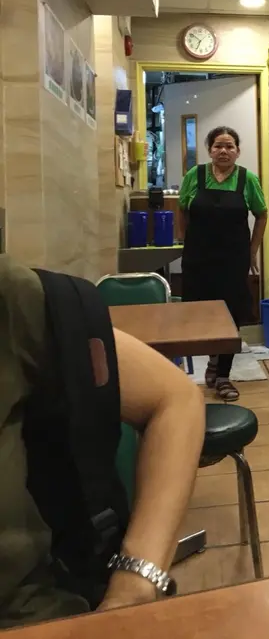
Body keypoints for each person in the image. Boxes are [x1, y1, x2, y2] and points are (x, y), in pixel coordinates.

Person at [1, 255, 205, 626]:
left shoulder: (13, 299)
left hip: (35, 620)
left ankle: (220, 373)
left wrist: (134, 583)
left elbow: (176, 398)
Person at [179, 126, 268, 401]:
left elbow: (262, 214)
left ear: (238, 151)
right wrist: (185, 241)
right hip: (198, 258)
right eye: (218, 146)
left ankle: (223, 376)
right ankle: (214, 358)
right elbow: (182, 209)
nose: (224, 151)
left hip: (233, 259)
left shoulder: (247, 179)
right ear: (210, 150)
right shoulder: (195, 176)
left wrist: (253, 250)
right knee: (201, 313)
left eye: (230, 146)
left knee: (231, 315)